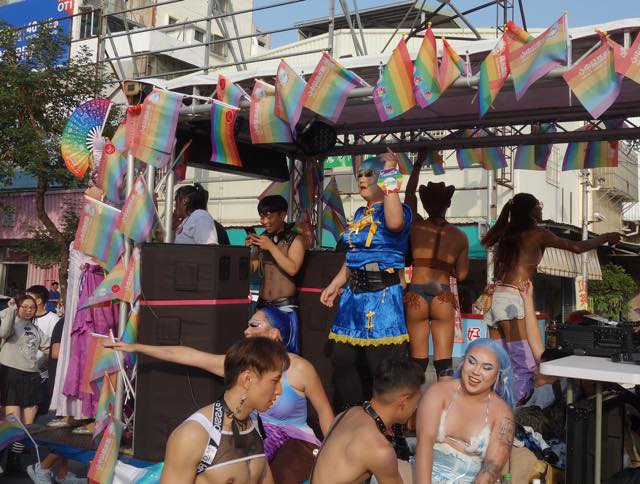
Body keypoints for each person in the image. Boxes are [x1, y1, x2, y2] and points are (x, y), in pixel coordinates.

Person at [107, 308, 333, 483]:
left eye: (254, 325)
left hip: (294, 446)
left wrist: (331, 450)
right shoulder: (197, 433)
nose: (246, 331)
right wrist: (137, 347)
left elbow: (324, 411)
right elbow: (190, 356)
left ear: (274, 333)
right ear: (246, 378)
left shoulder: (298, 372)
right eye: (274, 382)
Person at [480, 193, 620, 404]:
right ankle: (514, 409)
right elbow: (577, 247)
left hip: (495, 296)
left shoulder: (507, 232)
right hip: (512, 300)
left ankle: (487, 405)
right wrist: (605, 237)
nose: (541, 209)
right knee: (522, 362)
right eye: (539, 205)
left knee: (496, 359)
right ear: (530, 211)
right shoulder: (538, 234)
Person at [321, 150, 412, 408]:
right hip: (354, 296)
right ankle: (355, 413)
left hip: (382, 296)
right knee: (341, 358)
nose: (362, 178)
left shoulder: (397, 210)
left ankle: (386, 421)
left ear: (382, 178)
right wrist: (335, 284)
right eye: (360, 174)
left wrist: (391, 172)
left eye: (369, 174)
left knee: (380, 366)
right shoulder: (361, 213)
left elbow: (394, 223)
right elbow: (354, 256)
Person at [159, 337, 289, 484]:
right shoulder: (193, 435)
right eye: (275, 381)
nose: (280, 390)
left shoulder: (255, 424)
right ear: (247, 379)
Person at [404, 152, 469, 379]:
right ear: (448, 203)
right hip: (442, 293)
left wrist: (418, 163)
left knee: (417, 360)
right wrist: (446, 265)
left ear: (424, 203)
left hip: (416, 292)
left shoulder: (416, 226)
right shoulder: (460, 236)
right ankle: (444, 400)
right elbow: (462, 274)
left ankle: (413, 402)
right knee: (444, 362)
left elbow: (409, 194)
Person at [415, 338, 516, 483]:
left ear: (498, 374)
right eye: (471, 361)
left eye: (487, 368)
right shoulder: (438, 392)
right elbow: (424, 442)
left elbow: (491, 468)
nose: (476, 371)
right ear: (463, 361)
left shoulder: (502, 413)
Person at [308, 357, 424, 484]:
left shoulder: (349, 413)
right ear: (404, 402)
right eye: (417, 401)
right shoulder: (380, 450)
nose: (416, 407)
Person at [26, 317, 85, 484]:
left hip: (73, 384)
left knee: (70, 431)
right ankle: (43, 467)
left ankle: (61, 473)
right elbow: (56, 352)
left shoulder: (77, 320)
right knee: (72, 430)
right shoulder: (65, 322)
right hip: (65, 386)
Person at [0, 296, 50, 473]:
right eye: (25, 307)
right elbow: (3, 332)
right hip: (11, 373)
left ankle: (14, 460)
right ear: (19, 306)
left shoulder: (35, 329)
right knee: (13, 422)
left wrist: (39, 363)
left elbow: (48, 347)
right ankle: (4, 456)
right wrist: (11, 309)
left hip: (31, 377)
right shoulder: (10, 320)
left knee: (27, 424)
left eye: (32, 308)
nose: (28, 310)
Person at [245, 195, 305, 343]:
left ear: (282, 215)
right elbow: (251, 270)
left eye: (269, 217)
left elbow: (293, 269)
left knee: (281, 349)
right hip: (262, 305)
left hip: (284, 306)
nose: (264, 221)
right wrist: (248, 251)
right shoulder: (263, 238)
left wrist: (271, 247)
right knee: (257, 348)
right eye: (262, 217)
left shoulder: (296, 239)